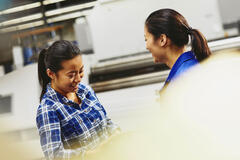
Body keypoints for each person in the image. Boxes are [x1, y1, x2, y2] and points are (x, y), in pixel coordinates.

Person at [36, 40, 119, 160]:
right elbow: (54, 155)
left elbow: (106, 122)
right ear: (51, 74)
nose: (78, 79)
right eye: (71, 75)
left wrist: (118, 135)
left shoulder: (85, 91)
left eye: (81, 71)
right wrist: (93, 154)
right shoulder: (48, 109)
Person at [144, 8, 211, 89]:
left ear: (162, 39)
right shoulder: (187, 70)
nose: (146, 46)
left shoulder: (184, 78)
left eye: (146, 39)